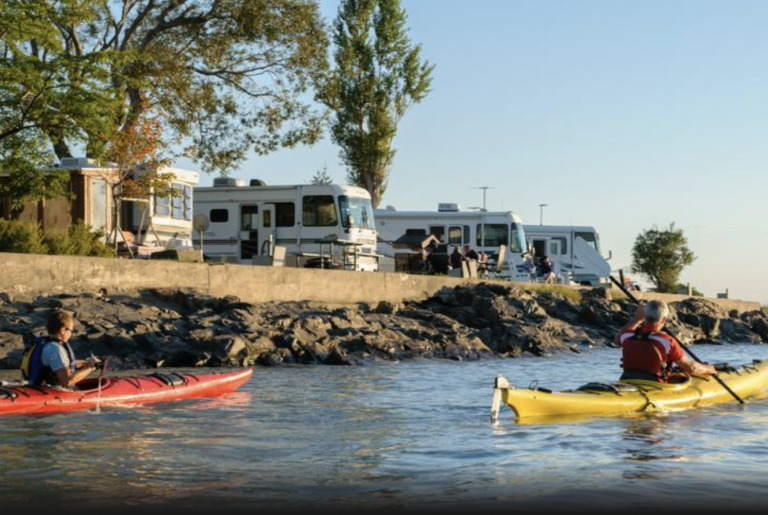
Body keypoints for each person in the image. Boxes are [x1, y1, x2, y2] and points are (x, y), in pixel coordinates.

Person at [616, 301, 717, 383]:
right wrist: (709, 369)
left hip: (627, 381)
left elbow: (617, 338)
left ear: (645, 317)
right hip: (654, 386)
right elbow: (692, 368)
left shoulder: (628, 336)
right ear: (664, 319)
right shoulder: (667, 341)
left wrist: (637, 319)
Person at [26, 310, 101, 389]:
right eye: (71, 330)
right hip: (54, 391)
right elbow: (67, 381)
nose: (71, 334)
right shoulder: (55, 349)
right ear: (63, 330)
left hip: (41, 388)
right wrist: (91, 368)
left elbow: (63, 364)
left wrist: (86, 363)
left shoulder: (47, 344)